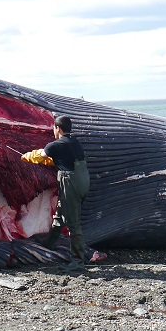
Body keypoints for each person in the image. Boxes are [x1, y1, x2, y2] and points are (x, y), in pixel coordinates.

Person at [21, 115, 107, 270]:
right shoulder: (75, 143)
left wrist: (25, 156)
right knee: (62, 211)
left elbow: (40, 156)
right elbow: (62, 159)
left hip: (70, 183)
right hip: (83, 181)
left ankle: (77, 261)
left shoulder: (55, 145)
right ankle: (50, 242)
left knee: (73, 222)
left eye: (54, 128)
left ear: (58, 128)